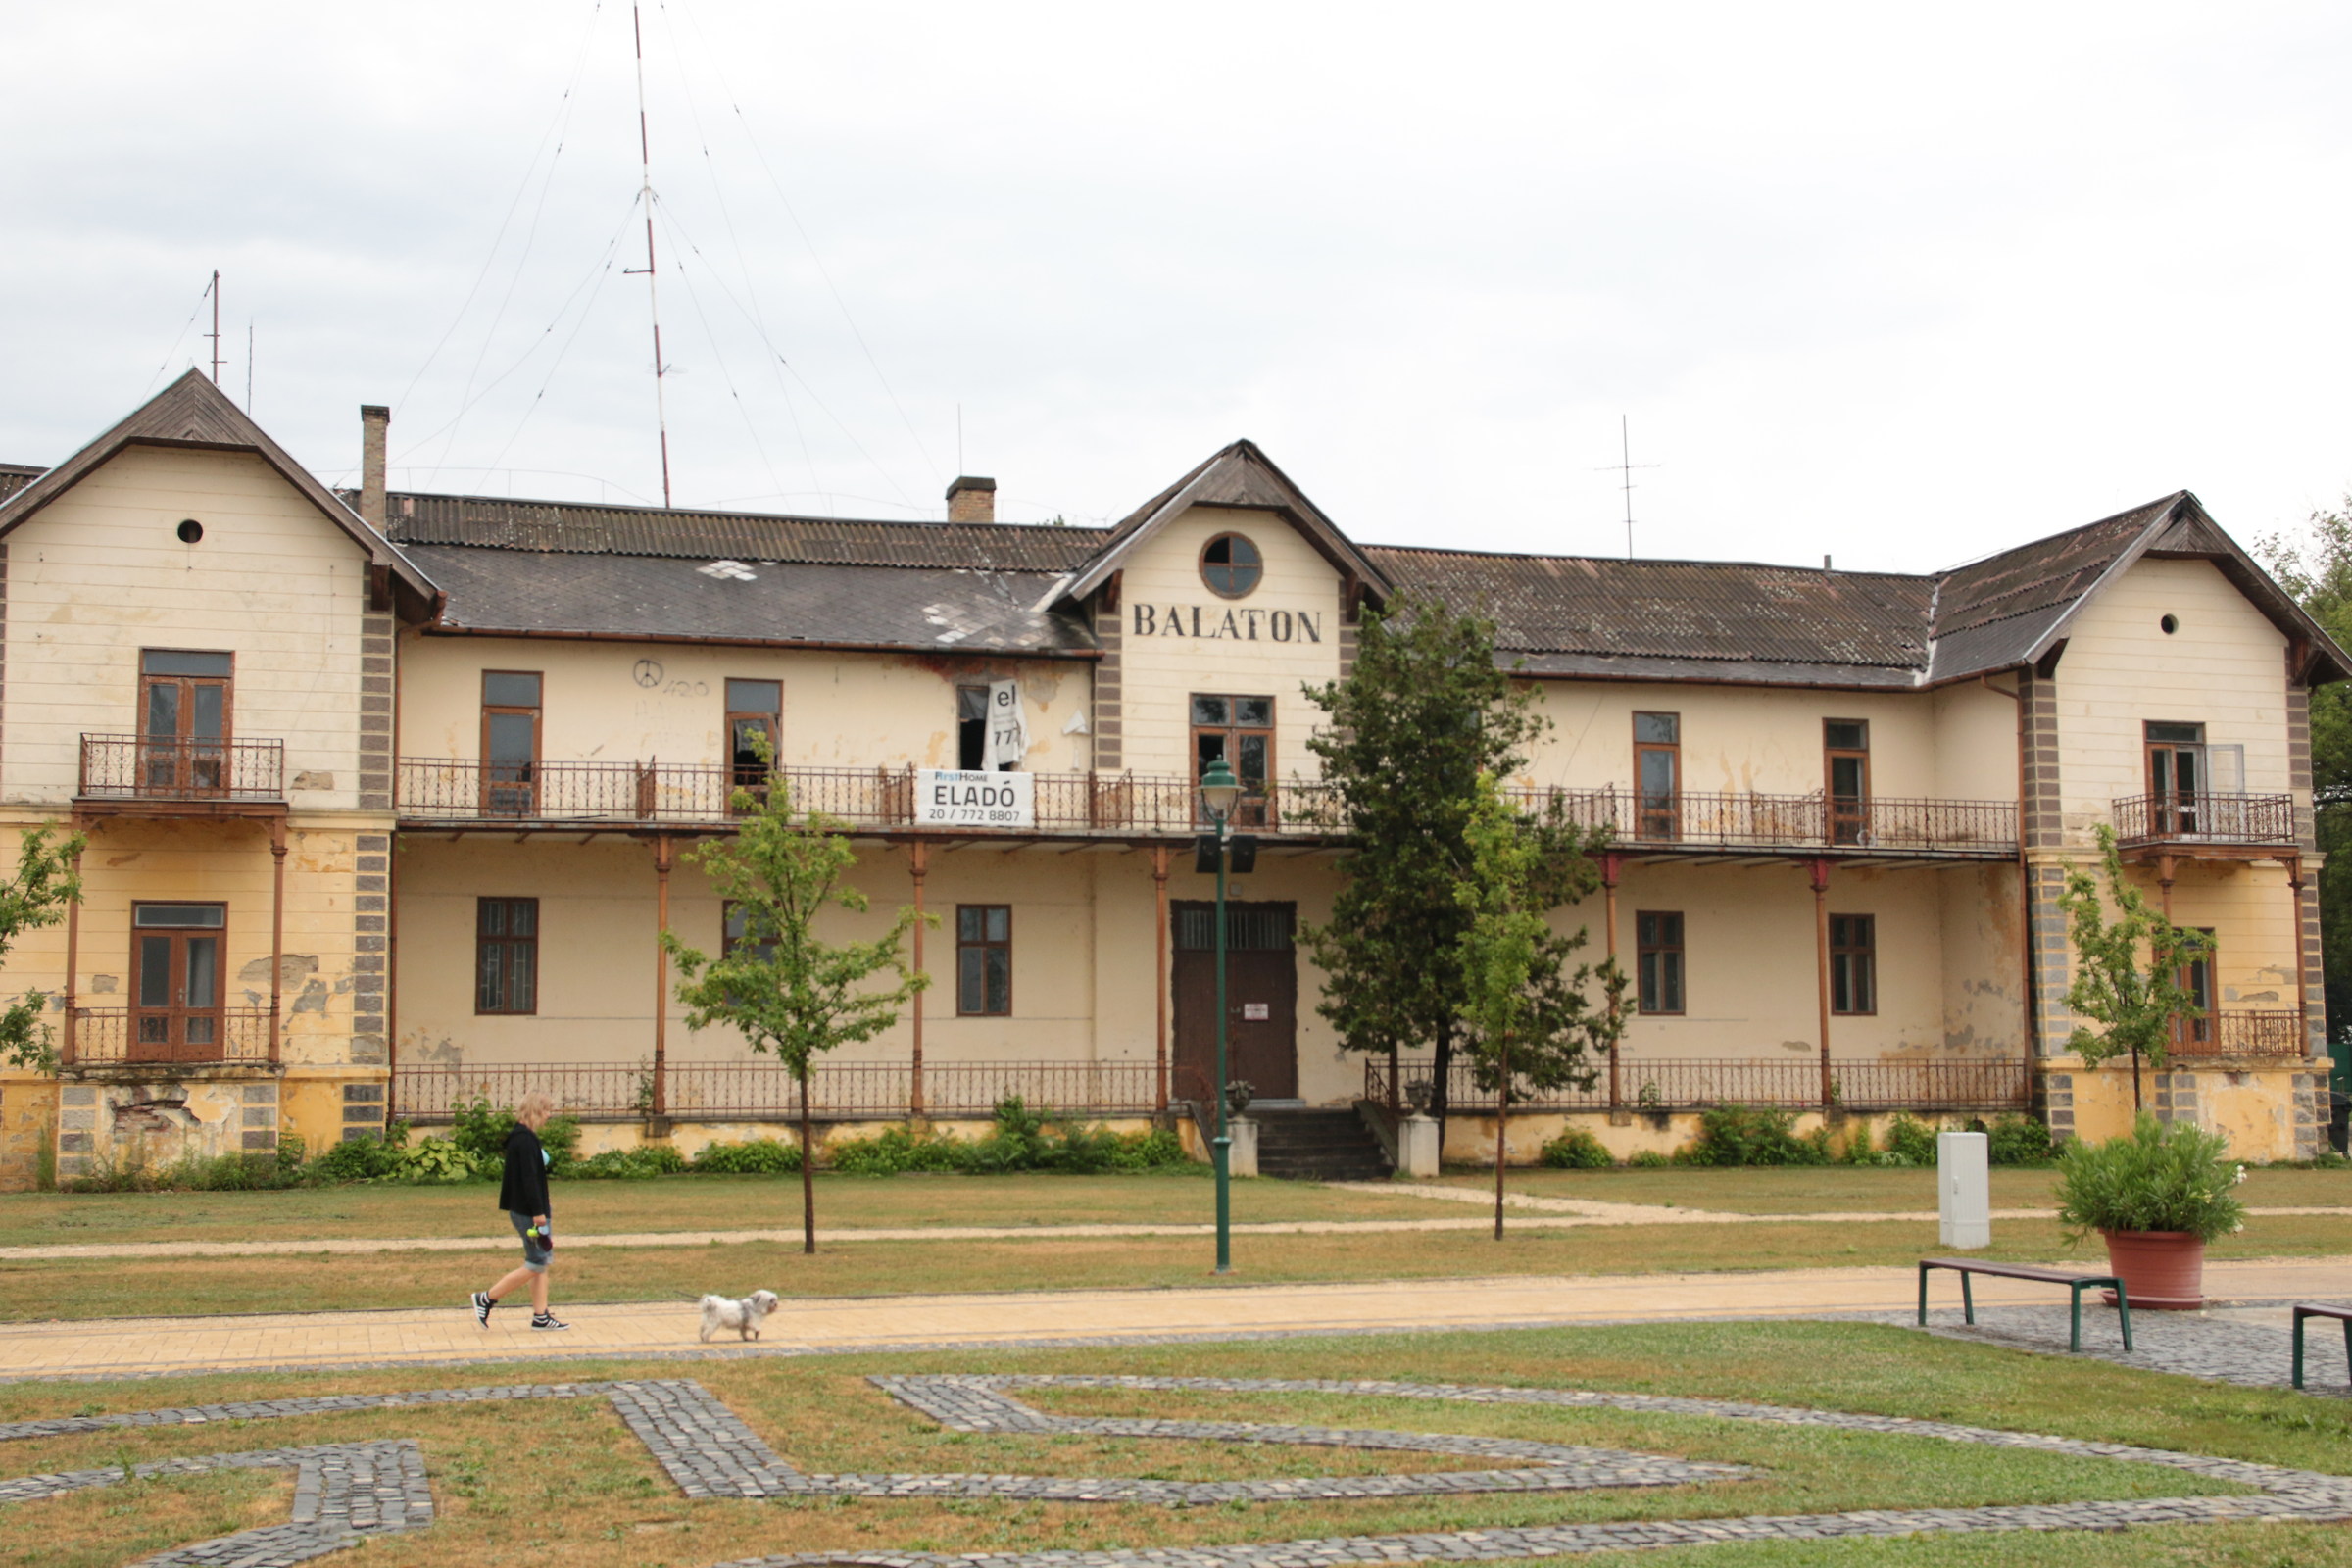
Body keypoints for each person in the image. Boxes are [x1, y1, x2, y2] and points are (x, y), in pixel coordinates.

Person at [470, 1092, 567, 1331]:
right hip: (529, 1212)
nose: (549, 1115)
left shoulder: (524, 1137)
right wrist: (538, 1211)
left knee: (541, 1261)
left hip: (533, 1208)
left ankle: (541, 1316)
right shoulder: (524, 1140)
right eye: (546, 1110)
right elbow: (529, 1180)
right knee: (536, 1262)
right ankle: (487, 1298)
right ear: (535, 1110)